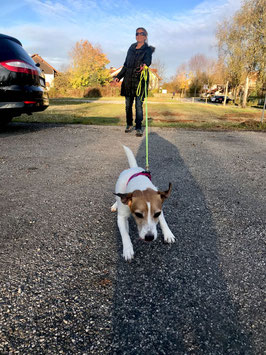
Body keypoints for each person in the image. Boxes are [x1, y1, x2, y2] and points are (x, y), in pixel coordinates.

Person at [114, 27, 155, 137]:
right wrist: (118, 76)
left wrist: (144, 65)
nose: (139, 35)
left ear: (145, 37)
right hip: (128, 81)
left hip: (139, 82)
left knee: (138, 106)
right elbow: (126, 65)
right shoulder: (131, 48)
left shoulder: (147, 50)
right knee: (128, 105)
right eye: (137, 33)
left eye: (142, 34)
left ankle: (138, 127)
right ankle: (128, 124)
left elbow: (148, 61)